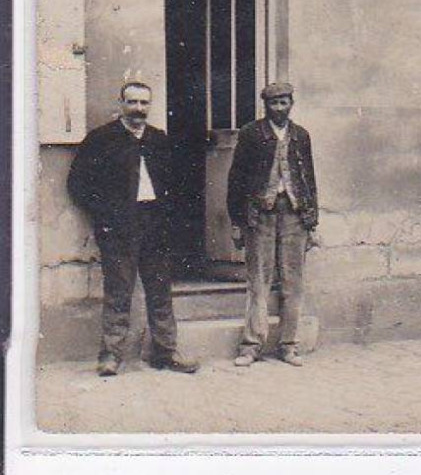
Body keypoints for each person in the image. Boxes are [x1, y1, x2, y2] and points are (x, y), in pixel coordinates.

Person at [66, 81, 198, 377]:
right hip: (119, 228)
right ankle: (111, 355)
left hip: (155, 226)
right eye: (133, 102)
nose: (139, 109)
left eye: (144, 103)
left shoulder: (159, 140)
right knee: (118, 291)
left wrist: (168, 217)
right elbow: (78, 184)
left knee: (160, 291)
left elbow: (177, 184)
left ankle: (166, 351)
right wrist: (106, 215)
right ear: (121, 103)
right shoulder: (101, 139)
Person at [227, 82, 319, 368]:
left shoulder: (301, 135)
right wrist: (237, 221)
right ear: (265, 106)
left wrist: (312, 220)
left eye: (284, 102)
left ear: (292, 103)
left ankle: (288, 345)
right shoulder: (251, 134)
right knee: (259, 281)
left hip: (294, 215)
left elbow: (310, 179)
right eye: (274, 103)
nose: (279, 108)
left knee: (293, 282)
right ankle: (252, 345)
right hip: (260, 215)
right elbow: (236, 179)